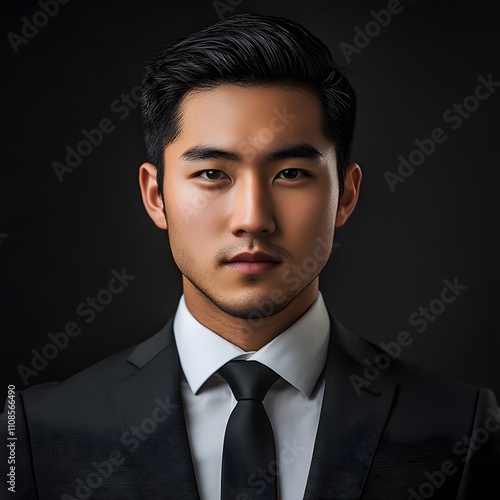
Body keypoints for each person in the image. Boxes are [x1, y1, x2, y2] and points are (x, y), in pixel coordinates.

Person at [1, 12, 499, 500]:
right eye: (213, 174)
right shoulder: (35, 432)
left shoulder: (461, 426)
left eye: (291, 174)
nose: (253, 219)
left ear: (345, 195)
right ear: (156, 196)